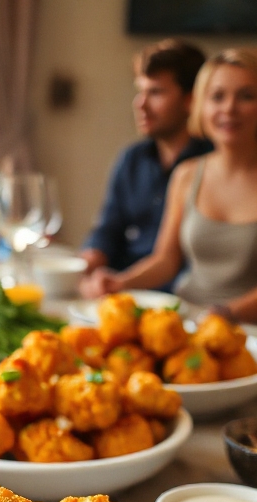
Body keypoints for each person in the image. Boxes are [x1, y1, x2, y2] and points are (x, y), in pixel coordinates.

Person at [82, 49, 257, 323]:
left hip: (243, 330)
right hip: (186, 317)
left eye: (246, 96)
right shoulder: (188, 175)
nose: (229, 108)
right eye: (217, 96)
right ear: (201, 105)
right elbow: (166, 260)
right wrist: (120, 283)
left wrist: (226, 314)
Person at [80, 39, 211, 281]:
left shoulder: (212, 164)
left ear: (190, 100)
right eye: (140, 91)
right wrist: (89, 260)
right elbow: (109, 229)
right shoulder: (132, 159)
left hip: (179, 291)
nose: (140, 104)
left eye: (156, 93)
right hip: (124, 283)